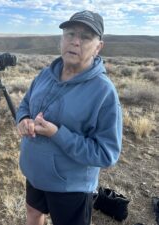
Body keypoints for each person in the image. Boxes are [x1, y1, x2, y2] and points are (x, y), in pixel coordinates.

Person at [16, 10, 123, 225]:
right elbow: (26, 103)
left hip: (70, 187)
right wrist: (23, 119)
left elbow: (106, 153)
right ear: (61, 39)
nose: (75, 41)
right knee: (33, 213)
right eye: (70, 34)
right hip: (34, 173)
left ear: (98, 46)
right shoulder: (45, 74)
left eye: (85, 37)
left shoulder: (104, 92)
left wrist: (58, 134)